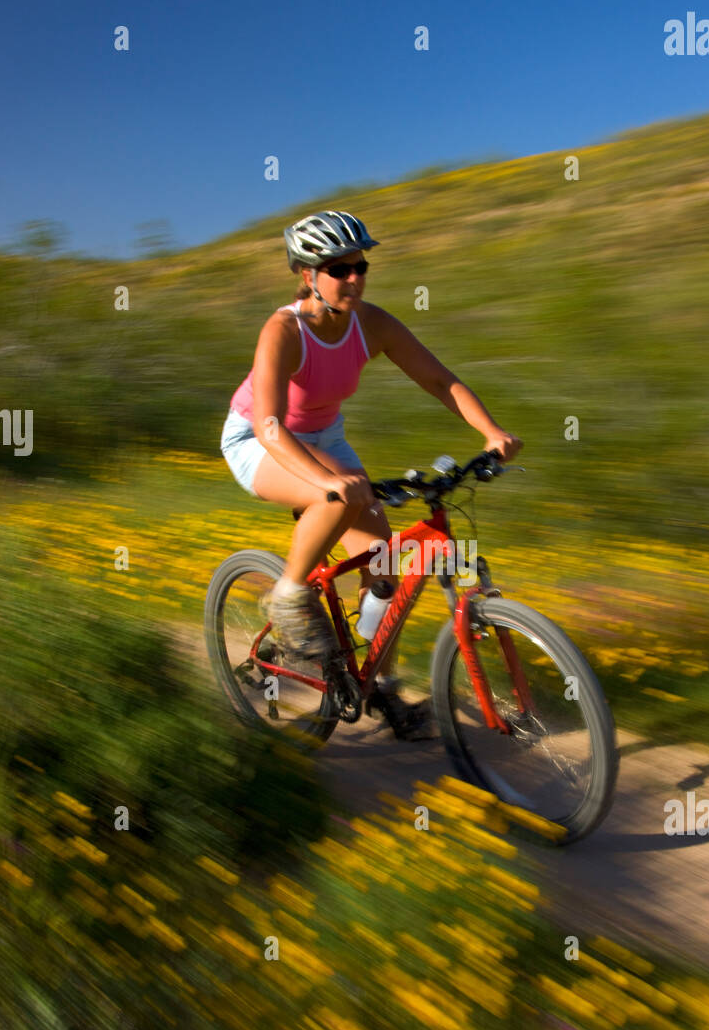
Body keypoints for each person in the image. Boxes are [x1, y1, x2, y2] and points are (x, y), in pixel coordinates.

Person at [220, 209, 522, 739]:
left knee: (383, 565)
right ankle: (289, 594)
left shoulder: (372, 324)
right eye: (339, 268)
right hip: (257, 439)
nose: (354, 278)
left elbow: (438, 380)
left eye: (360, 265)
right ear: (307, 274)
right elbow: (269, 424)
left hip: (325, 437)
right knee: (338, 497)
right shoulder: (284, 330)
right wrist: (328, 482)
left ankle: (378, 685)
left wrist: (491, 432)